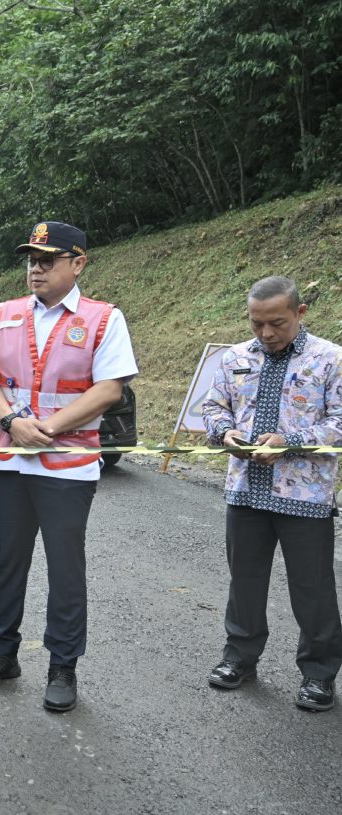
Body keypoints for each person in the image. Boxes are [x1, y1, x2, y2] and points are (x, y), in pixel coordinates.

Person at [0, 221, 137, 712]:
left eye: (47, 260)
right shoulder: (4, 313)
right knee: (7, 562)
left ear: (77, 263)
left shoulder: (104, 318)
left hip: (69, 464)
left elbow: (109, 389)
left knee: (65, 569)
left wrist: (50, 427)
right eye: (31, 260)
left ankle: (63, 664)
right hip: (11, 459)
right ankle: (2, 654)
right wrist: (12, 420)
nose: (35, 269)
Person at [202, 275, 342, 712]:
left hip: (305, 498)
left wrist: (290, 440)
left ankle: (319, 674)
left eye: (276, 323)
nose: (265, 333)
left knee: (312, 588)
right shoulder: (233, 358)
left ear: (299, 313)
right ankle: (240, 658)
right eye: (256, 323)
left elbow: (340, 422)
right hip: (244, 492)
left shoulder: (330, 360)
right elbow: (212, 407)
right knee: (244, 581)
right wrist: (224, 433)